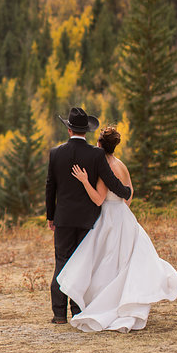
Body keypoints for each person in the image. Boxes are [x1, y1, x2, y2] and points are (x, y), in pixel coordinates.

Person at [56, 125, 177, 332]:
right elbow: (129, 193)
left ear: (98, 144)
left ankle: (108, 306)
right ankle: (124, 301)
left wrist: (85, 181)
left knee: (105, 265)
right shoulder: (122, 165)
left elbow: (98, 199)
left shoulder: (104, 167)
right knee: (123, 264)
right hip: (124, 216)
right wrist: (121, 209)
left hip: (109, 218)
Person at [45, 106, 132, 325]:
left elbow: (50, 187)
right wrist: (126, 192)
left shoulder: (56, 153)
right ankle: (77, 310)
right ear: (87, 131)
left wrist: (50, 216)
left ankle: (58, 314)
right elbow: (110, 180)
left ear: (69, 130)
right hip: (87, 220)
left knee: (61, 261)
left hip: (63, 218)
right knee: (82, 263)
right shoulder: (95, 154)